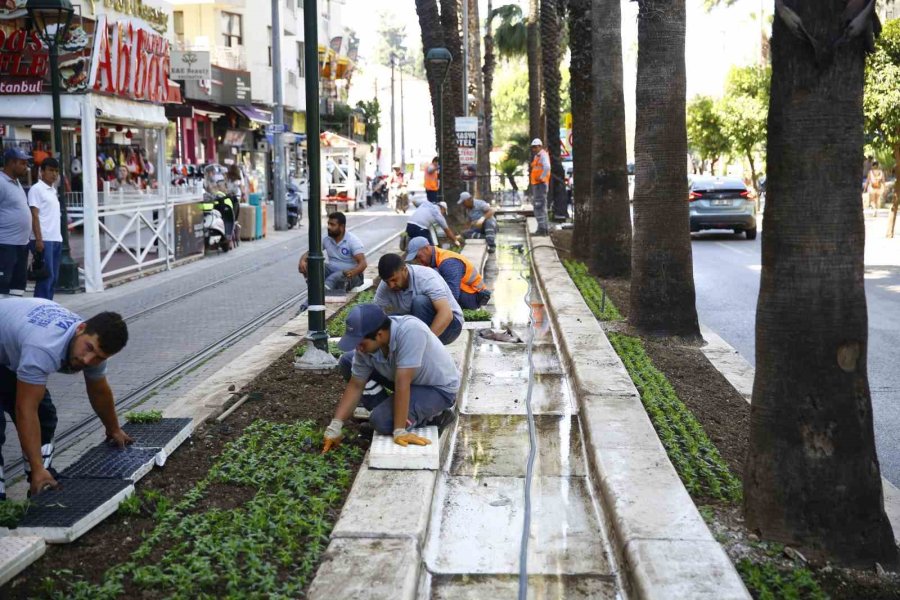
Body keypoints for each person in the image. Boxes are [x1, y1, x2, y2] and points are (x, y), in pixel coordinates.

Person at [0, 299, 132, 499]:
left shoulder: (93, 347)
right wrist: (37, 467)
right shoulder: (44, 346)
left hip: (10, 344)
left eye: (99, 357)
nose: (88, 360)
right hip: (17, 337)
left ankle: (41, 479)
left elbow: (98, 391)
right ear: (80, 328)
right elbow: (25, 410)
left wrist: (113, 429)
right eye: (88, 348)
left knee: (44, 416)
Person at [323, 303, 459, 451]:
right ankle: (387, 410)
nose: (358, 348)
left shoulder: (410, 331)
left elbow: (403, 383)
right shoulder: (368, 345)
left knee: (381, 422)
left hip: (436, 389)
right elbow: (356, 385)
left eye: (361, 343)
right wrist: (335, 426)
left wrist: (399, 430)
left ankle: (437, 415)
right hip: (407, 380)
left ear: (380, 334)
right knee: (347, 361)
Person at [373, 253, 464, 345]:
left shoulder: (426, 277)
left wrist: (422, 345)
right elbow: (374, 313)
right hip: (419, 324)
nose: (391, 285)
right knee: (391, 319)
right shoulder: (385, 285)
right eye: (387, 282)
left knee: (420, 302)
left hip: (450, 327)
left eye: (394, 280)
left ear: (404, 270)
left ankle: (421, 344)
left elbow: (446, 314)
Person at [406, 237, 491, 309]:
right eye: (416, 259)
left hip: (474, 296)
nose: (419, 261)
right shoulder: (435, 260)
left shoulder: (448, 263)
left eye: (419, 257)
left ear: (427, 248)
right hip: (466, 292)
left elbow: (453, 295)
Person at [298, 211, 367, 293]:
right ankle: (314, 290)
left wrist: (351, 273)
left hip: (352, 276)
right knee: (311, 264)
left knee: (336, 277)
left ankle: (318, 295)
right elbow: (310, 252)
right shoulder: (326, 239)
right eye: (328, 224)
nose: (329, 227)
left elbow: (363, 264)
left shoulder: (352, 241)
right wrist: (302, 260)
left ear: (342, 227)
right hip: (332, 271)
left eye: (332, 225)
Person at [28, 158, 63, 300]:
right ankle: (40, 309)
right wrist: (39, 240)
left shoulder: (53, 191)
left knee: (53, 279)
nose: (54, 174)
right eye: (50, 170)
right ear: (42, 172)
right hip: (44, 240)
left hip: (56, 239)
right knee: (45, 278)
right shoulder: (36, 189)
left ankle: (48, 307)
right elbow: (34, 215)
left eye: (56, 171)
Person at [0, 147, 32, 298]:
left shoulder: (16, 182)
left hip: (21, 244)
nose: (26, 167)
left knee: (18, 286)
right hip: (5, 245)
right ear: (12, 163)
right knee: (3, 286)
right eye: (23, 163)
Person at [530, 138, 551, 235]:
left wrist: (542, 178)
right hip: (538, 184)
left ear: (540, 146)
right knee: (540, 206)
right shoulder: (537, 156)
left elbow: (547, 167)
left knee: (539, 206)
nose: (534, 149)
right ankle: (543, 228)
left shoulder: (543, 155)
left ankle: (542, 229)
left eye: (535, 147)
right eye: (533, 147)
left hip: (540, 184)